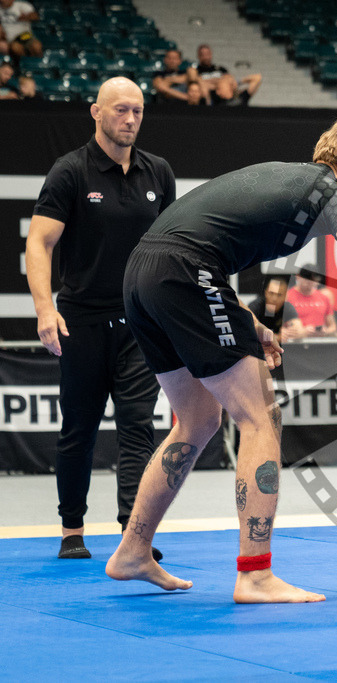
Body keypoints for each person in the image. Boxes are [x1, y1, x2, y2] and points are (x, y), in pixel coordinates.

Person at [105, 115, 337, 603]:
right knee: (260, 418)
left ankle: (132, 549)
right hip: (183, 272)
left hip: (142, 275)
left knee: (195, 419)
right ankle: (254, 574)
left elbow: (200, 243)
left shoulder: (291, 179)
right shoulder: (330, 191)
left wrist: (244, 319)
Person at [25, 78, 175, 561]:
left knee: (138, 428)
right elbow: (39, 243)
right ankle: (72, 528)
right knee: (79, 430)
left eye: (138, 111)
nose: (130, 119)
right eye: (120, 111)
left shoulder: (159, 172)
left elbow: (174, 248)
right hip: (81, 323)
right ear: (96, 112)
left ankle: (136, 535)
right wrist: (46, 308)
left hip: (141, 323)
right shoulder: (70, 171)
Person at [194, 44, 262, 106]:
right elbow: (199, 83)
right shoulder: (196, 70)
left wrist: (235, 82)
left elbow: (257, 77)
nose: (206, 57)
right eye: (203, 54)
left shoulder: (221, 69)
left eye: (208, 54)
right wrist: (222, 81)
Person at [287, 264, 337, 337]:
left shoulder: (324, 297)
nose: (309, 282)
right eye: (307, 279)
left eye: (312, 280)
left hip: (318, 342)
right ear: (298, 277)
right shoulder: (288, 297)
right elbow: (283, 327)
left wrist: (325, 331)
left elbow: (333, 327)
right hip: (296, 342)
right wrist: (302, 331)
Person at [248, 274, 302, 343]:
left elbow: (299, 329)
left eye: (279, 295)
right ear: (266, 293)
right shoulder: (255, 307)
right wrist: (276, 337)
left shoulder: (287, 308)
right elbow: (248, 330)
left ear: (285, 296)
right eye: (271, 293)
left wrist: (288, 333)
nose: (274, 298)